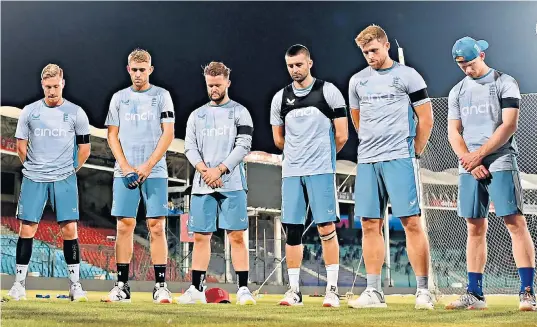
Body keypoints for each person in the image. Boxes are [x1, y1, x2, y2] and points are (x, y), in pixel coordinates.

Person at [347, 25, 435, 310]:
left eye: (374, 50)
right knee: (369, 224)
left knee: (411, 221)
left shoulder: (408, 75)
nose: (370, 56)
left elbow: (426, 119)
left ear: (386, 45)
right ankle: (373, 292)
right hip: (369, 159)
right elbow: (357, 119)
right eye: (365, 52)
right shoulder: (357, 81)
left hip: (400, 156)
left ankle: (423, 290)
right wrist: (370, 145)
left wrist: (415, 151)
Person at [446, 36, 536, 311]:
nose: (467, 69)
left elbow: (509, 126)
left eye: (470, 63)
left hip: (501, 159)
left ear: (482, 56)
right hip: (470, 166)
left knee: (514, 222)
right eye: (461, 65)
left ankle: (528, 292)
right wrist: (470, 161)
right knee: (474, 227)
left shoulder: (504, 82)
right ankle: (475, 294)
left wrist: (478, 156)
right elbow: (453, 132)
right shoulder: (457, 91)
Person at [270, 44, 348, 307]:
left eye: (299, 65)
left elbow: (342, 135)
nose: (295, 70)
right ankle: (294, 291)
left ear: (310, 63)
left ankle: (332, 291)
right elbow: (278, 139)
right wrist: (298, 155)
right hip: (292, 172)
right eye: (290, 66)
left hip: (321, 171)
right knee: (292, 230)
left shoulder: (329, 92)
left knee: (326, 227)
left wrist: (322, 156)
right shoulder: (280, 98)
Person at [7, 63, 91, 302]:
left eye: (55, 86)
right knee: (27, 229)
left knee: (69, 230)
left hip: (64, 179)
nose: (52, 91)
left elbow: (84, 149)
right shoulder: (29, 112)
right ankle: (19, 285)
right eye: (47, 87)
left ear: (62, 83)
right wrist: (35, 168)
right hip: (34, 178)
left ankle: (75, 285)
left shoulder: (77, 113)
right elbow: (20, 147)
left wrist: (68, 169)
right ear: (42, 85)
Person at [178, 61, 256, 305]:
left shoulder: (240, 112)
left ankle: (243, 289)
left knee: (237, 236)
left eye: (218, 84)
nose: (213, 89)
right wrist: (205, 171)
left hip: (232, 183)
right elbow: (189, 147)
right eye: (210, 84)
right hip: (203, 185)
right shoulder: (196, 115)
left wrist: (220, 170)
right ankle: (196, 289)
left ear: (227, 83)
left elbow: (243, 145)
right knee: (201, 237)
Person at [102, 48, 175, 303]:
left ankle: (161, 286)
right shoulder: (119, 98)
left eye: (142, 70)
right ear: (128, 70)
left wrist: (147, 165)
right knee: (124, 225)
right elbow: (112, 134)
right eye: (134, 69)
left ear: (150, 70)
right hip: (125, 171)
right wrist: (124, 166)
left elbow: (168, 134)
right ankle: (122, 285)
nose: (138, 74)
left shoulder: (162, 96)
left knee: (157, 227)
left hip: (154, 171)